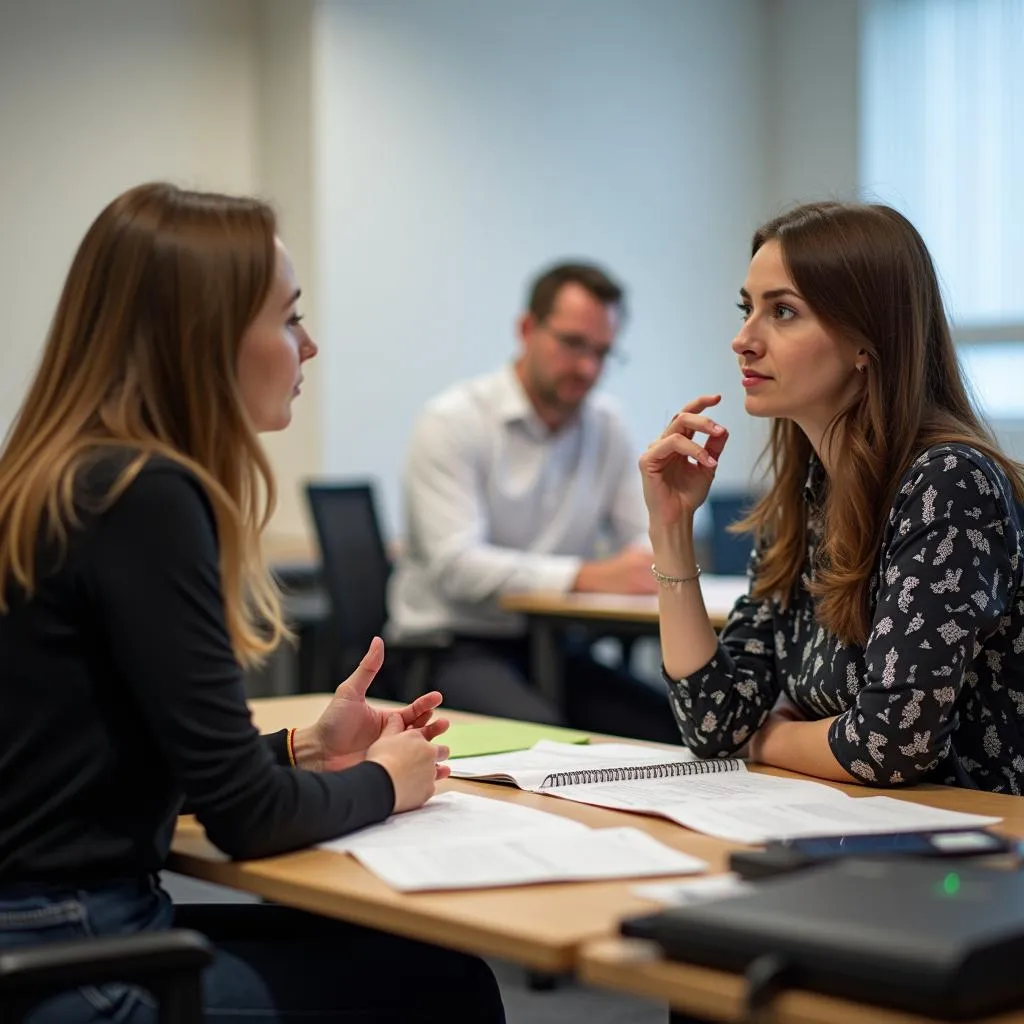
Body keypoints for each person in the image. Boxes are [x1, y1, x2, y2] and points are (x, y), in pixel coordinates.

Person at [0, 183, 505, 1023]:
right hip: (71, 955)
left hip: (44, 928)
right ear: (202, 339)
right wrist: (388, 780)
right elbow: (247, 819)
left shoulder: (61, 475)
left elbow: (99, 766)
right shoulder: (144, 494)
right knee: (446, 988)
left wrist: (303, 746)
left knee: (416, 962)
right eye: (288, 317)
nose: (308, 345)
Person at [641, 201, 1024, 792]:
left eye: (784, 312)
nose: (743, 340)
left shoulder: (948, 484)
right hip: (863, 828)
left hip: (977, 845)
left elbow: (889, 745)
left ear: (865, 342)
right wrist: (670, 529)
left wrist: (763, 738)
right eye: (748, 309)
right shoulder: (806, 494)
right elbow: (714, 721)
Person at [387, 262, 681, 742]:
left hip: (559, 645)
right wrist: (586, 576)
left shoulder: (607, 425)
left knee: (679, 729)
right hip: (452, 647)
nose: (588, 368)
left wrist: (662, 543)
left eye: (603, 352)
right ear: (527, 329)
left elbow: (642, 540)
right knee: (548, 744)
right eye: (573, 344)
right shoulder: (453, 420)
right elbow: (457, 566)